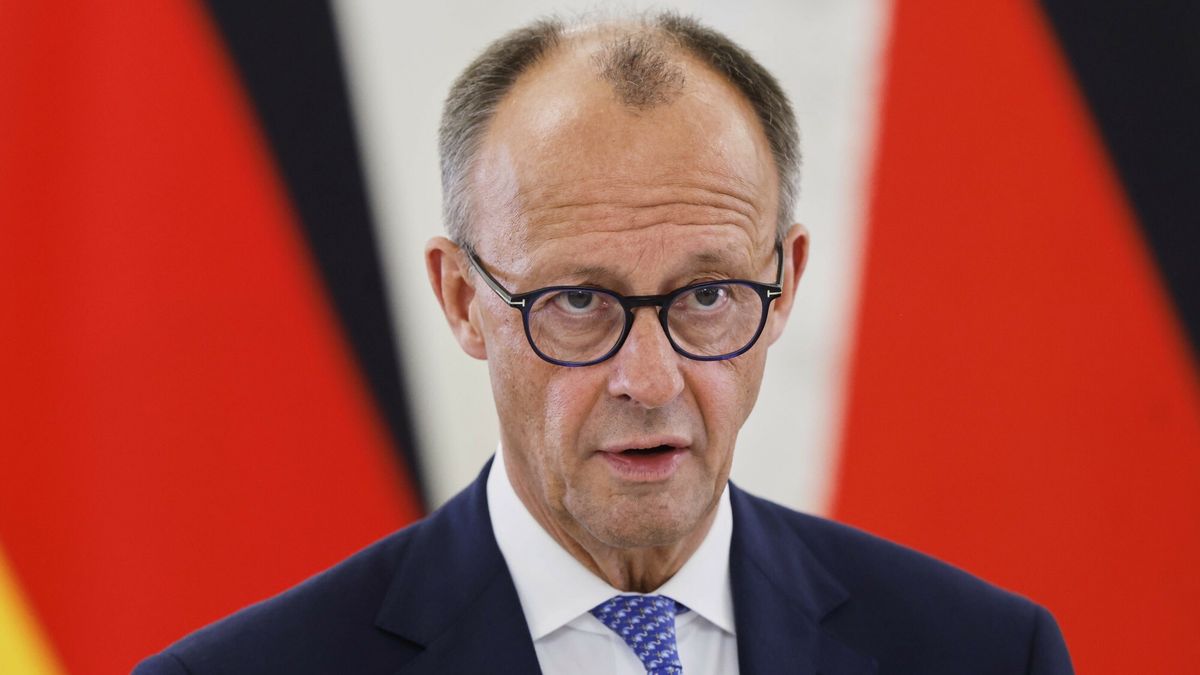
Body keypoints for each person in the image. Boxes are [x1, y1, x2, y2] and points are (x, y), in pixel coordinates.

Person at [135, 11, 1073, 675]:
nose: (650, 376)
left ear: (782, 281)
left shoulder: (986, 653)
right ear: (463, 299)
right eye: (580, 300)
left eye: (707, 294)